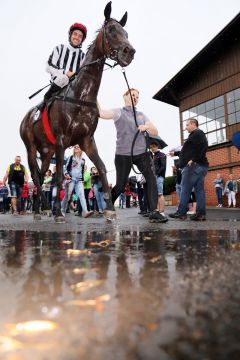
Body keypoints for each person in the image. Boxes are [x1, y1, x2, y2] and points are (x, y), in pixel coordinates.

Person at [98, 88, 168, 223]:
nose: (135, 97)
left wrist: (146, 127)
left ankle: (154, 212)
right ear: (125, 96)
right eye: (133, 95)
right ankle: (109, 204)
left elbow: (155, 130)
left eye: (137, 96)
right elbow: (101, 113)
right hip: (123, 154)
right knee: (120, 184)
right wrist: (93, 97)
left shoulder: (141, 115)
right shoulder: (119, 112)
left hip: (141, 153)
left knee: (151, 178)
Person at [38, 22, 87, 111]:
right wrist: (65, 72)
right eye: (75, 34)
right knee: (64, 78)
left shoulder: (83, 56)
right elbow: (48, 67)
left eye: (80, 36)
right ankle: (46, 98)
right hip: (58, 84)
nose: (77, 37)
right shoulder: (59, 48)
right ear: (70, 35)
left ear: (82, 39)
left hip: (73, 89)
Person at [169, 118, 209, 221]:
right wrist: (176, 153)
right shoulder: (196, 135)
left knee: (185, 188)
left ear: (193, 124)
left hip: (194, 166)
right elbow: (189, 151)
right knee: (199, 190)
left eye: (187, 125)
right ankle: (200, 214)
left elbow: (204, 146)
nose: (185, 128)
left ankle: (181, 212)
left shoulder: (197, 134)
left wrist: (194, 160)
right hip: (201, 166)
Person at [61, 145, 93, 218]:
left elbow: (82, 171)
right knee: (68, 196)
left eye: (78, 147)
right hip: (71, 179)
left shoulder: (83, 160)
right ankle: (62, 210)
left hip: (78, 180)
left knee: (82, 195)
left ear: (81, 149)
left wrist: (81, 179)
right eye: (75, 147)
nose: (76, 148)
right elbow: (66, 167)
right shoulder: (71, 157)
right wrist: (66, 174)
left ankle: (85, 212)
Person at [150, 140, 167, 216]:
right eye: (151, 147)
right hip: (154, 177)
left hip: (159, 176)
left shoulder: (162, 155)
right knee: (155, 195)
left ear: (157, 147)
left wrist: (156, 174)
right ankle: (157, 211)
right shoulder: (153, 156)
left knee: (160, 194)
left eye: (153, 147)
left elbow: (163, 167)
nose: (152, 148)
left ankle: (162, 211)